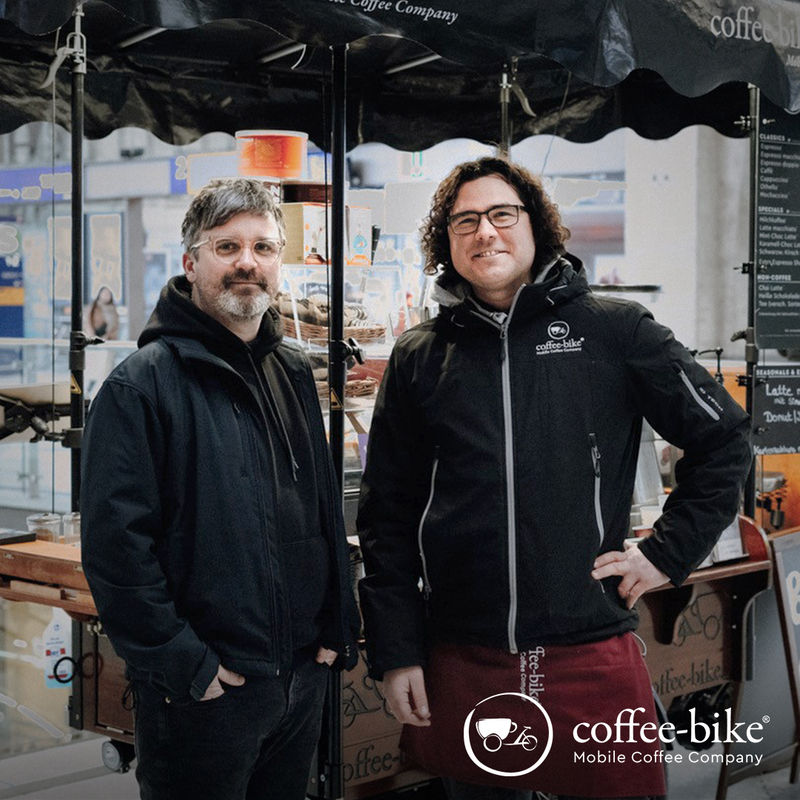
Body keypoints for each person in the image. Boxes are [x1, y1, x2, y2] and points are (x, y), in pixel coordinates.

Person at [357, 157, 752, 800]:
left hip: (589, 646)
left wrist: (667, 552)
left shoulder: (614, 329)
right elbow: (387, 514)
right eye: (465, 221)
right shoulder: (420, 355)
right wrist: (397, 648)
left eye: (501, 214)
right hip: (465, 652)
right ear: (446, 243)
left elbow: (726, 436)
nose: (485, 231)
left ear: (535, 226)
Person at [81, 178, 359, 800]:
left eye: (262, 248)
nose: (247, 263)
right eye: (227, 247)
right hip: (206, 693)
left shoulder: (290, 369)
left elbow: (319, 509)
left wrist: (338, 624)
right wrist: (185, 664)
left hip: (299, 679)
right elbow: (115, 552)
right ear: (191, 262)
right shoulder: (141, 387)